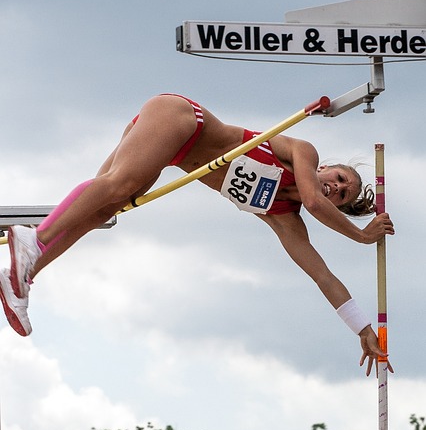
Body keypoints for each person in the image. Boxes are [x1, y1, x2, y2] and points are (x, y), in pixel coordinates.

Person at [0, 93, 394, 374]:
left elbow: (322, 275)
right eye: (341, 178)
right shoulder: (301, 150)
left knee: (104, 209)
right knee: (119, 186)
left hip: (170, 149)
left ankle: (23, 274)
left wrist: (362, 329)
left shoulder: (283, 217)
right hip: (183, 118)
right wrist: (362, 236)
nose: (337, 188)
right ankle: (32, 241)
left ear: (340, 206)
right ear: (329, 167)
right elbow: (313, 199)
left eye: (344, 196)